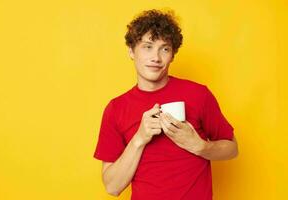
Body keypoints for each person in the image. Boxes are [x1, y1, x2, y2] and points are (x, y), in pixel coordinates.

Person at [93, 9, 238, 200]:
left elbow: (232, 148)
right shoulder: (116, 109)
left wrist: (199, 146)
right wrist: (139, 139)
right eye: (147, 47)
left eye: (165, 48)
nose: (156, 58)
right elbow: (112, 187)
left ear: (173, 55)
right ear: (131, 51)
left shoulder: (198, 94)